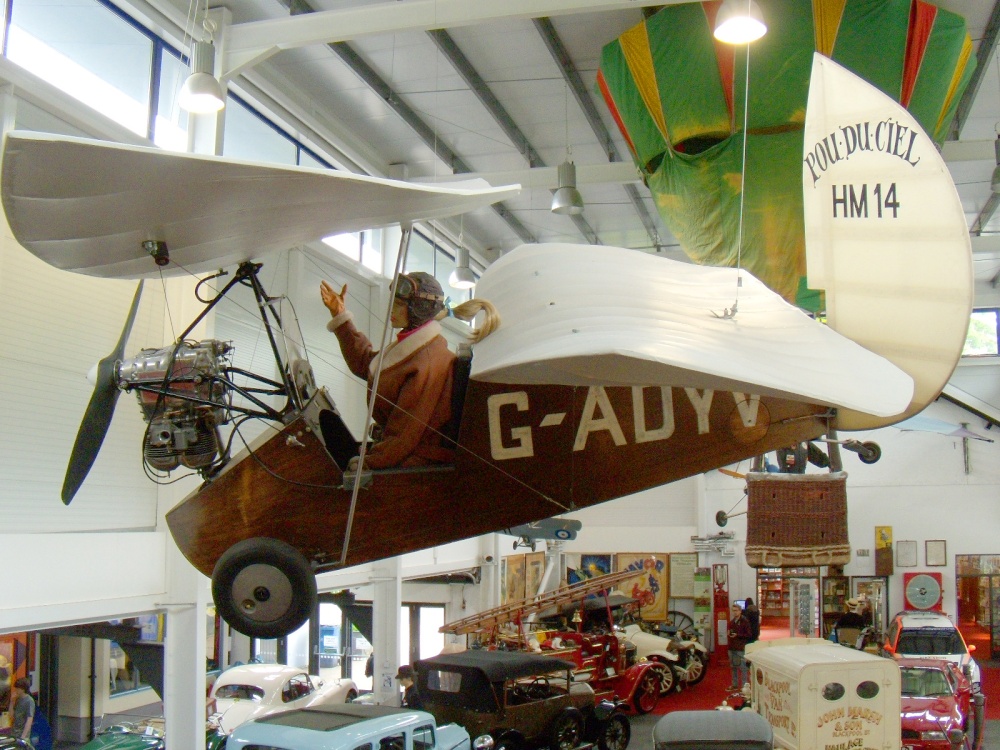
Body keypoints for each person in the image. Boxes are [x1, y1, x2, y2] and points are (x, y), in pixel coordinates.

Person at [320, 273, 498, 471]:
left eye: (398, 304)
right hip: (401, 454)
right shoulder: (412, 350)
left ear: (418, 310)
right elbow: (367, 364)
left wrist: (369, 463)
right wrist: (340, 316)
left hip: (413, 463)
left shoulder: (427, 360)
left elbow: (405, 431)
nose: (391, 309)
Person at [727, 603, 752, 690]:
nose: (734, 612)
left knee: (743, 667)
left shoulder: (745, 622)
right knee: (733, 667)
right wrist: (729, 634)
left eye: (736, 610)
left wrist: (738, 635)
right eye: (733, 611)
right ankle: (735, 684)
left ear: (740, 611)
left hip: (740, 647)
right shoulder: (731, 622)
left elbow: (749, 634)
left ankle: (744, 686)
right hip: (732, 646)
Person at [5, 678, 34, 745]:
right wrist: (12, 702)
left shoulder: (29, 701)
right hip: (14, 733)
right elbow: (11, 716)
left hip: (22, 734)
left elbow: (29, 719)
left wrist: (23, 736)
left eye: (17, 688)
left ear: (23, 689)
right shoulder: (17, 699)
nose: (16, 690)